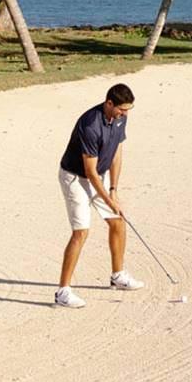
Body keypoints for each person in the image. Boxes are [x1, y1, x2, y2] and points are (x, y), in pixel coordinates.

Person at [54, 82, 140, 308]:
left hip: (100, 177)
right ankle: (63, 292)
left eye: (128, 110)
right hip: (75, 178)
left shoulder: (121, 117)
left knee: (118, 222)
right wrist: (109, 200)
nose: (125, 113)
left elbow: (116, 153)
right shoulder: (90, 125)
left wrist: (114, 189)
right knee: (81, 232)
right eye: (122, 109)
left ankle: (117, 275)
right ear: (109, 103)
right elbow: (90, 172)